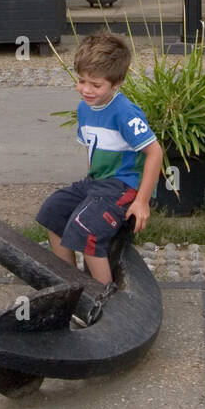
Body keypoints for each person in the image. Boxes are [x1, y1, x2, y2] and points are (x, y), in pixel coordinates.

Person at [37, 32, 163, 286]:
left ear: (116, 83)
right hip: (96, 182)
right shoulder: (85, 109)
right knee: (52, 212)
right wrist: (89, 191)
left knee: (86, 229)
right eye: (82, 81)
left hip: (123, 186)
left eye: (96, 85)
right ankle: (70, 284)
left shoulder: (125, 113)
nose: (86, 90)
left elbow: (155, 152)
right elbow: (91, 152)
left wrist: (142, 202)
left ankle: (103, 297)